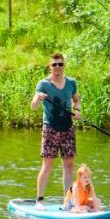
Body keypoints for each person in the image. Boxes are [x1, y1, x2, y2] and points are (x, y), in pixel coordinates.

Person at [30, 52, 81, 203]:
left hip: (68, 128)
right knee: (47, 165)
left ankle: (68, 201)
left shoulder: (71, 83)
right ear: (50, 67)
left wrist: (77, 110)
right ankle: (39, 200)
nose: (57, 67)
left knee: (69, 165)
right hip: (50, 128)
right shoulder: (43, 84)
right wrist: (38, 99)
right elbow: (33, 106)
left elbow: (76, 100)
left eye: (60, 64)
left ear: (64, 65)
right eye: (54, 64)